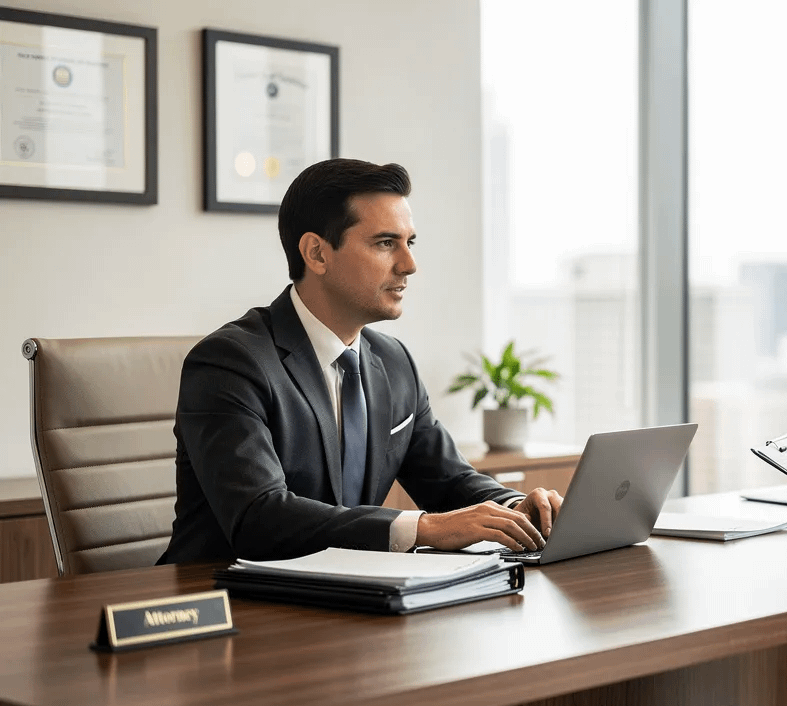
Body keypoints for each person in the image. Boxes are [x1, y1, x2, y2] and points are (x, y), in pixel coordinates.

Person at [159, 158, 562, 564]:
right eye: (386, 243)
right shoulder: (229, 363)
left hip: (346, 596)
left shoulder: (394, 362)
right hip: (223, 599)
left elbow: (451, 481)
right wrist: (423, 528)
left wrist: (517, 510)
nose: (409, 264)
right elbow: (259, 518)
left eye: (410, 242)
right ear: (316, 253)